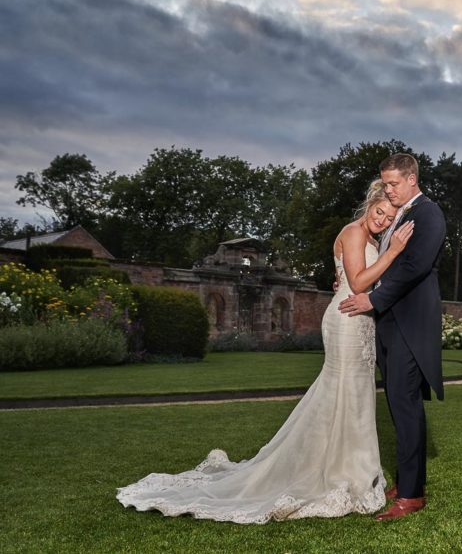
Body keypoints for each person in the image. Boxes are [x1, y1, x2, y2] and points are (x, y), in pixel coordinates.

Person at [116, 180, 414, 524]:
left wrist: (376, 262)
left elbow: (362, 280)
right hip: (347, 319)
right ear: (369, 205)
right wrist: (392, 254)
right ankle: (337, 470)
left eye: (389, 216)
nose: (382, 219)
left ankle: (352, 466)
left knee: (355, 394)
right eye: (379, 211)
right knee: (342, 391)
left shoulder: (374, 239)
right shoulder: (353, 231)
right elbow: (359, 282)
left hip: (363, 321)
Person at [340, 153, 446, 522]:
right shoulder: (399, 215)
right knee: (399, 406)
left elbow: (416, 268)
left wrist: (374, 298)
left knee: (406, 406)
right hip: (390, 323)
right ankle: (405, 481)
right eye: (384, 184)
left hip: (410, 325)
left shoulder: (428, 213)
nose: (388, 190)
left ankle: (412, 496)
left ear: (412, 179)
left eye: (394, 184)